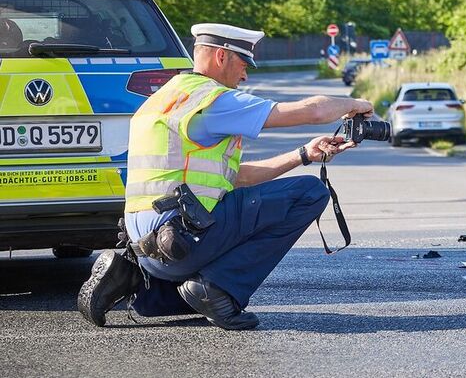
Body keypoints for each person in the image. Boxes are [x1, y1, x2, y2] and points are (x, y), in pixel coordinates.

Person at [77, 23, 374, 330]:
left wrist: (303, 154)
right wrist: (354, 104)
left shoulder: (165, 98)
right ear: (221, 57)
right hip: (181, 241)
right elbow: (309, 112)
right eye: (244, 65)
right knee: (309, 193)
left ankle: (131, 275)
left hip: (148, 245)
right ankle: (218, 289)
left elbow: (237, 178)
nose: (245, 76)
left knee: (235, 208)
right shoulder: (213, 100)